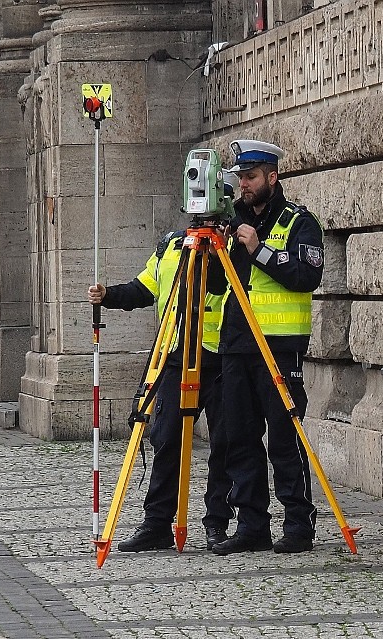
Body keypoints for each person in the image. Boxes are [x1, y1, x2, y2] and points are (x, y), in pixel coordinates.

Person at [88, 221, 232, 552]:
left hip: (222, 359)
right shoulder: (171, 244)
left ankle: (217, 523)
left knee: (224, 443)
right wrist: (109, 295)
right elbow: (143, 289)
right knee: (165, 437)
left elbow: (223, 286)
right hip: (176, 355)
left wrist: (218, 245)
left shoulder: (231, 244)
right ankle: (157, 524)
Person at [210, 139, 324, 555]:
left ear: (272, 177)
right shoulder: (232, 224)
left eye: (252, 177)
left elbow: (306, 275)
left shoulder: (298, 222)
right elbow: (216, 286)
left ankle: (298, 525)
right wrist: (212, 252)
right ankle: (251, 526)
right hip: (237, 347)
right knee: (239, 438)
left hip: (279, 348)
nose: (244, 185)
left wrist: (259, 250)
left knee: (283, 438)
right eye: (240, 177)